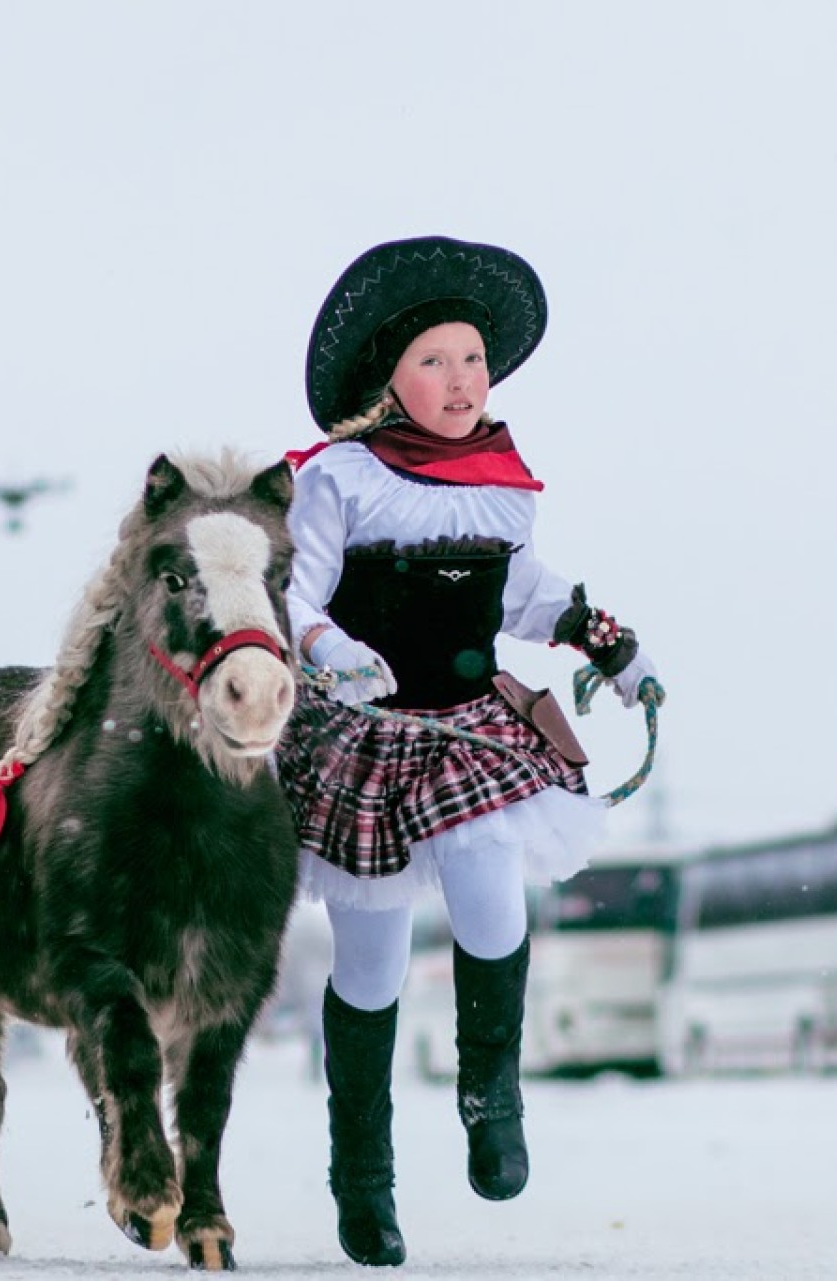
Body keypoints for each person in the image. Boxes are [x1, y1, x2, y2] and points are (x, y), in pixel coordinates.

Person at [279, 236, 659, 1267]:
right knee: (372, 964)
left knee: (491, 890)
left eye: (475, 360)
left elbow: (525, 593)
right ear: (389, 378)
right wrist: (330, 648)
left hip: (466, 726)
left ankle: (493, 1100)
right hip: (365, 737)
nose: (462, 381)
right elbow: (295, 594)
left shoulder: (502, 483)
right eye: (436, 361)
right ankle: (363, 1176)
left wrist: (609, 645)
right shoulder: (340, 478)